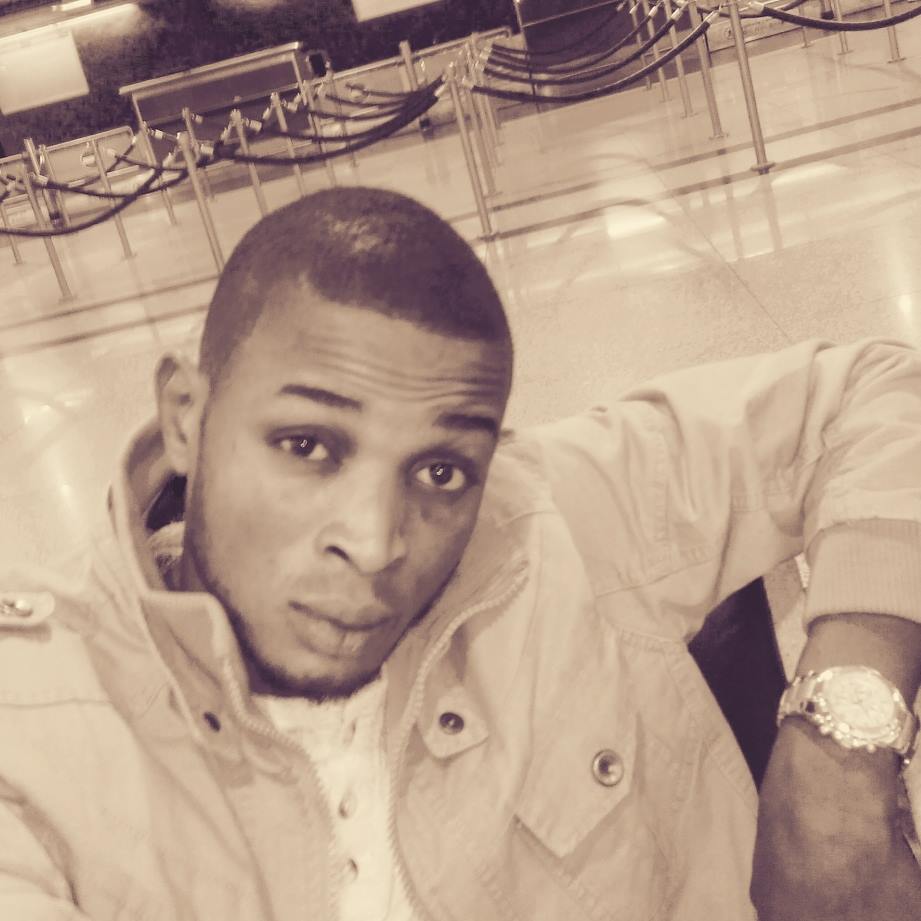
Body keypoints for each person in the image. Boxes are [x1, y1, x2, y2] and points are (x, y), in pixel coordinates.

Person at [1, 186, 921, 921]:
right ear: (186, 418)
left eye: (440, 470)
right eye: (308, 445)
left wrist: (840, 747)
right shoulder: (33, 728)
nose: (374, 542)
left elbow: (871, 394)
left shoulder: (546, 519)